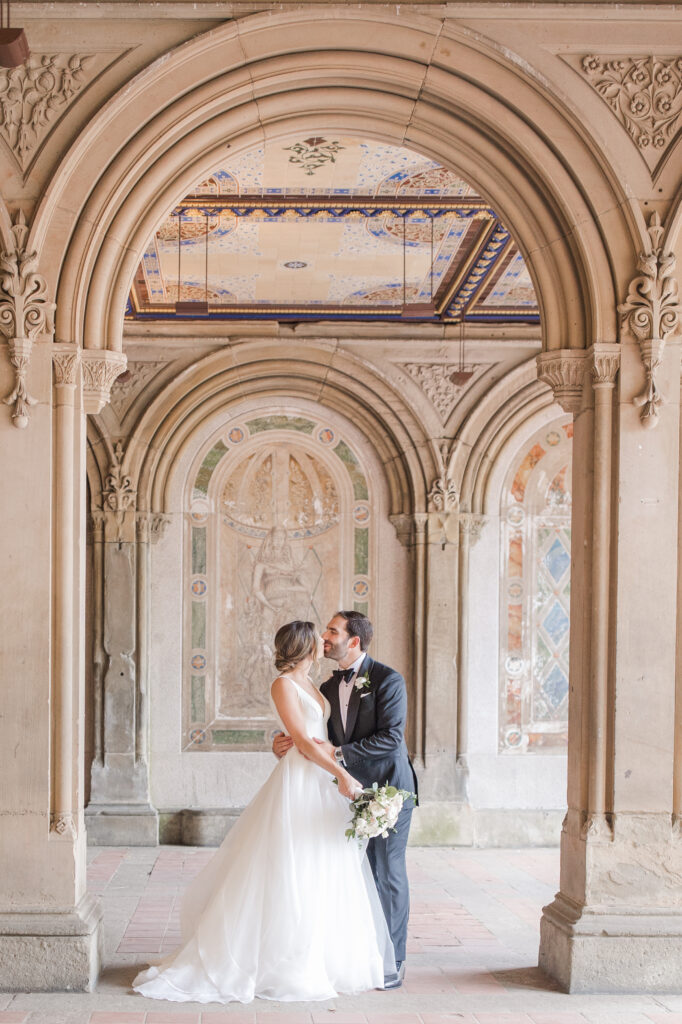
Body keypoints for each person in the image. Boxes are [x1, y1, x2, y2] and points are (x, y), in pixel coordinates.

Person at [133, 620, 394, 1004]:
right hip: (300, 780)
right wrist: (342, 775)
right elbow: (302, 739)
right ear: (304, 646)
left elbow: (319, 735)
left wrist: (332, 768)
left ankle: (322, 956)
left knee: (320, 864)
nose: (324, 642)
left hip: (318, 780)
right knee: (288, 866)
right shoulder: (283, 684)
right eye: (318, 639)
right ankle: (282, 962)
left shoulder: (314, 686)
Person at [273, 610, 418, 989]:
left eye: (332, 631)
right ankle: (359, 953)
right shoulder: (322, 687)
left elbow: (391, 738)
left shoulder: (388, 679)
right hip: (340, 792)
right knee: (352, 876)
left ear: (353, 641)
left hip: (388, 789)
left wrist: (338, 757)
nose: (325, 636)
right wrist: (283, 744)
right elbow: (309, 733)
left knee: (387, 872)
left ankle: (393, 962)